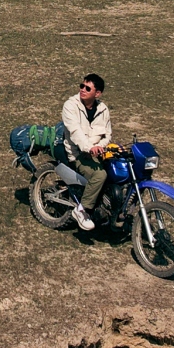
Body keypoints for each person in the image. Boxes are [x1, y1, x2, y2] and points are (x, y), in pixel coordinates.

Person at [61, 73, 112, 231]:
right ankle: (82, 211)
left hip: (96, 153)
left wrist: (101, 147)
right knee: (99, 175)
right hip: (78, 154)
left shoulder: (103, 109)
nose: (82, 89)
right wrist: (90, 148)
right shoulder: (70, 105)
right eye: (81, 86)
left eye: (87, 88)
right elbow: (76, 132)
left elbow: (107, 135)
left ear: (97, 93)